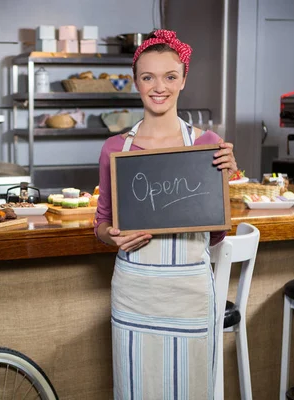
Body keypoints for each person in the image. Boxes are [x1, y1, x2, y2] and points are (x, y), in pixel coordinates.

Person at [94, 30, 238, 399]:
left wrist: (222, 187)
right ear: (136, 81)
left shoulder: (207, 147)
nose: (159, 87)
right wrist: (111, 236)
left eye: (170, 76)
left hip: (189, 295)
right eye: (148, 77)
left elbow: (216, 234)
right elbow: (101, 223)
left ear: (183, 79)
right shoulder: (115, 149)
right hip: (135, 293)